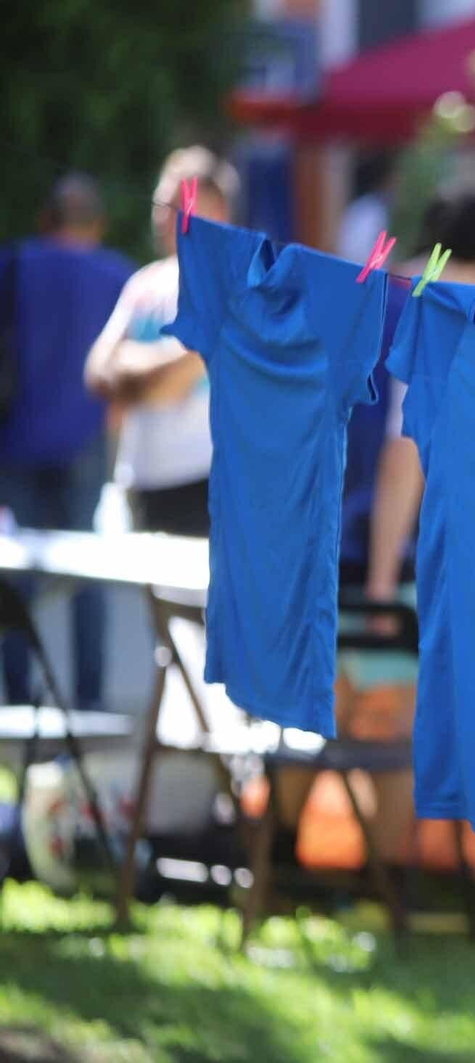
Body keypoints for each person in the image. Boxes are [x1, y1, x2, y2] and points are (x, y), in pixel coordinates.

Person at [358, 187, 475, 604]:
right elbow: (402, 455)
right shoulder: (429, 309)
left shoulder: (388, 292)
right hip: (362, 547)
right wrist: (380, 587)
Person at [0, 175, 133, 710]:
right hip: (86, 442)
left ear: (45, 219)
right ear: (96, 224)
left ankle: (15, 703)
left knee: (14, 577)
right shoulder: (120, 276)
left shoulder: (12, 266)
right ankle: (89, 705)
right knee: (87, 576)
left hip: (15, 444)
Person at [85, 147, 239, 536]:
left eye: (175, 205)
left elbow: (167, 385)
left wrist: (132, 372)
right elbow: (98, 372)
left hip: (205, 484)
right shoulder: (143, 283)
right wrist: (167, 365)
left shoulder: (232, 286)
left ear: (217, 211)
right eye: (160, 203)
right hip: (139, 485)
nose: (162, 217)